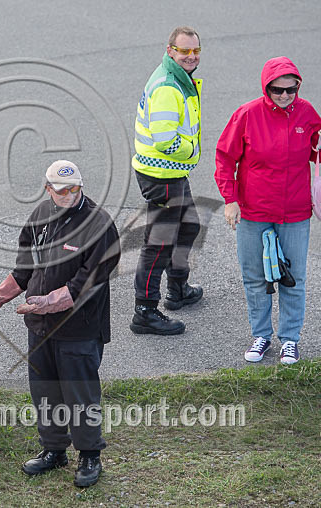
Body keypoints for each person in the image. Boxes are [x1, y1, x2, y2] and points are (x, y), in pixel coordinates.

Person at [0, 160, 120, 488]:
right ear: (47, 188)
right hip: (38, 326)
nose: (68, 195)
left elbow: (86, 283)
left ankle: (90, 455)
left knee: (80, 395)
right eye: (61, 189)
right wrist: (1, 294)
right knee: (45, 392)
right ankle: (54, 450)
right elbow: (24, 269)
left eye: (75, 188)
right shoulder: (39, 216)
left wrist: (50, 301)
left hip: (79, 328)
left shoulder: (99, 225)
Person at [215, 56, 321, 365]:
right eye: (276, 90)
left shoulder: (306, 112)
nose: (284, 96)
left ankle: (290, 339)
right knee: (255, 278)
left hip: (295, 213)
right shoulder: (246, 114)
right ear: (265, 88)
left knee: (293, 278)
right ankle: (261, 335)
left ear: (297, 87)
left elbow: (317, 152)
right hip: (253, 212)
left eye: (290, 90)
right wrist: (230, 200)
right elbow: (224, 158)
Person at [130, 26, 204, 336]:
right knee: (158, 243)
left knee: (189, 227)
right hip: (162, 174)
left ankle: (177, 288)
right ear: (170, 50)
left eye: (195, 51)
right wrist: (191, 152)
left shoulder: (177, 77)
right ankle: (145, 311)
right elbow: (164, 140)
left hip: (172, 173)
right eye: (184, 51)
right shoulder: (168, 86)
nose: (191, 56)